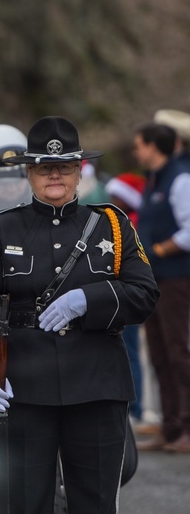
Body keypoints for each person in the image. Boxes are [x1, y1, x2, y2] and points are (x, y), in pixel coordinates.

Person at [0, 116, 158, 514]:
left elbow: (143, 293)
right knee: (26, 504)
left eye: (65, 166)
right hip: (25, 384)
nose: (55, 175)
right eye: (45, 167)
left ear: (78, 172)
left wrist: (88, 299)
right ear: (29, 173)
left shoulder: (112, 225)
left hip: (97, 381)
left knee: (95, 503)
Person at [130, 122, 190, 453]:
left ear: (154, 146)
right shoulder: (154, 180)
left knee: (178, 351)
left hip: (176, 279)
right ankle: (170, 426)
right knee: (159, 353)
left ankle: (186, 425)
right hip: (155, 281)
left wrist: (159, 251)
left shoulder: (179, 178)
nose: (136, 151)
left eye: (139, 144)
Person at [105, 172, 148, 426]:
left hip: (126, 293)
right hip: (118, 293)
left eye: (117, 196)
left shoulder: (128, 225)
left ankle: (135, 407)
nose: (112, 199)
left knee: (128, 350)